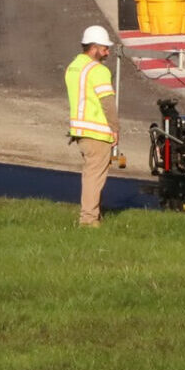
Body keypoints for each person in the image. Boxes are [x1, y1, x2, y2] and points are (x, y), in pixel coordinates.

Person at [65, 25, 118, 227]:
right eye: (105, 48)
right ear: (94, 48)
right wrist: (115, 128)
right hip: (97, 132)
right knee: (94, 178)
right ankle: (88, 219)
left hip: (80, 131)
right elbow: (108, 103)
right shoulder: (98, 70)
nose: (107, 53)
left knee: (90, 175)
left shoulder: (74, 67)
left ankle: (94, 214)